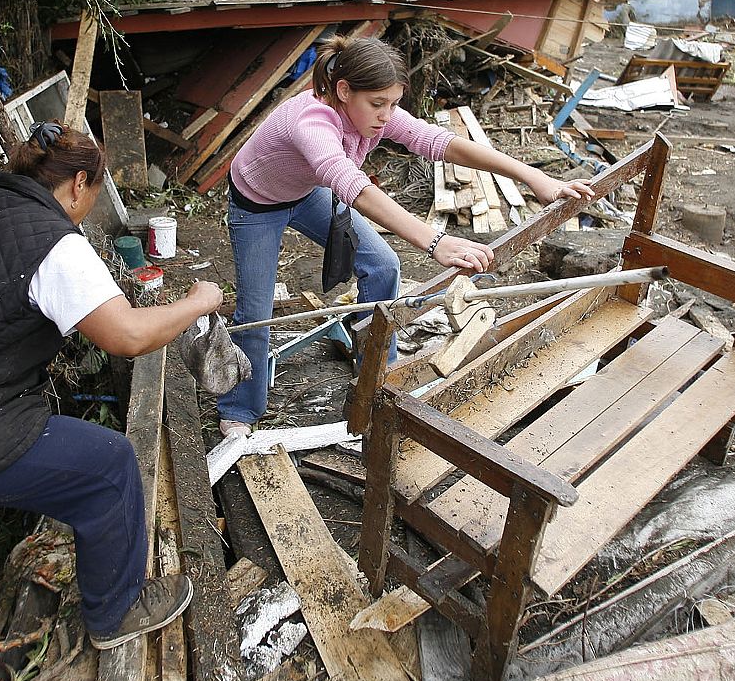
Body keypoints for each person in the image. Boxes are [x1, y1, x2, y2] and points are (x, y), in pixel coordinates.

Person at [0, 122, 223, 681]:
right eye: (94, 193)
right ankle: (117, 611)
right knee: (110, 467)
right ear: (79, 184)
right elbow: (127, 335)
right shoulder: (55, 243)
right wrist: (198, 301)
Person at [217, 34, 596, 437]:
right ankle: (240, 408)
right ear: (343, 91)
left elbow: (441, 142)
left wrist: (533, 176)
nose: (386, 115)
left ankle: (378, 377)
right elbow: (354, 187)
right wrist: (435, 241)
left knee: (383, 267)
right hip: (257, 204)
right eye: (378, 104)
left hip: (307, 191)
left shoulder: (374, 112)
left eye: (394, 104)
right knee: (255, 314)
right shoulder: (311, 121)